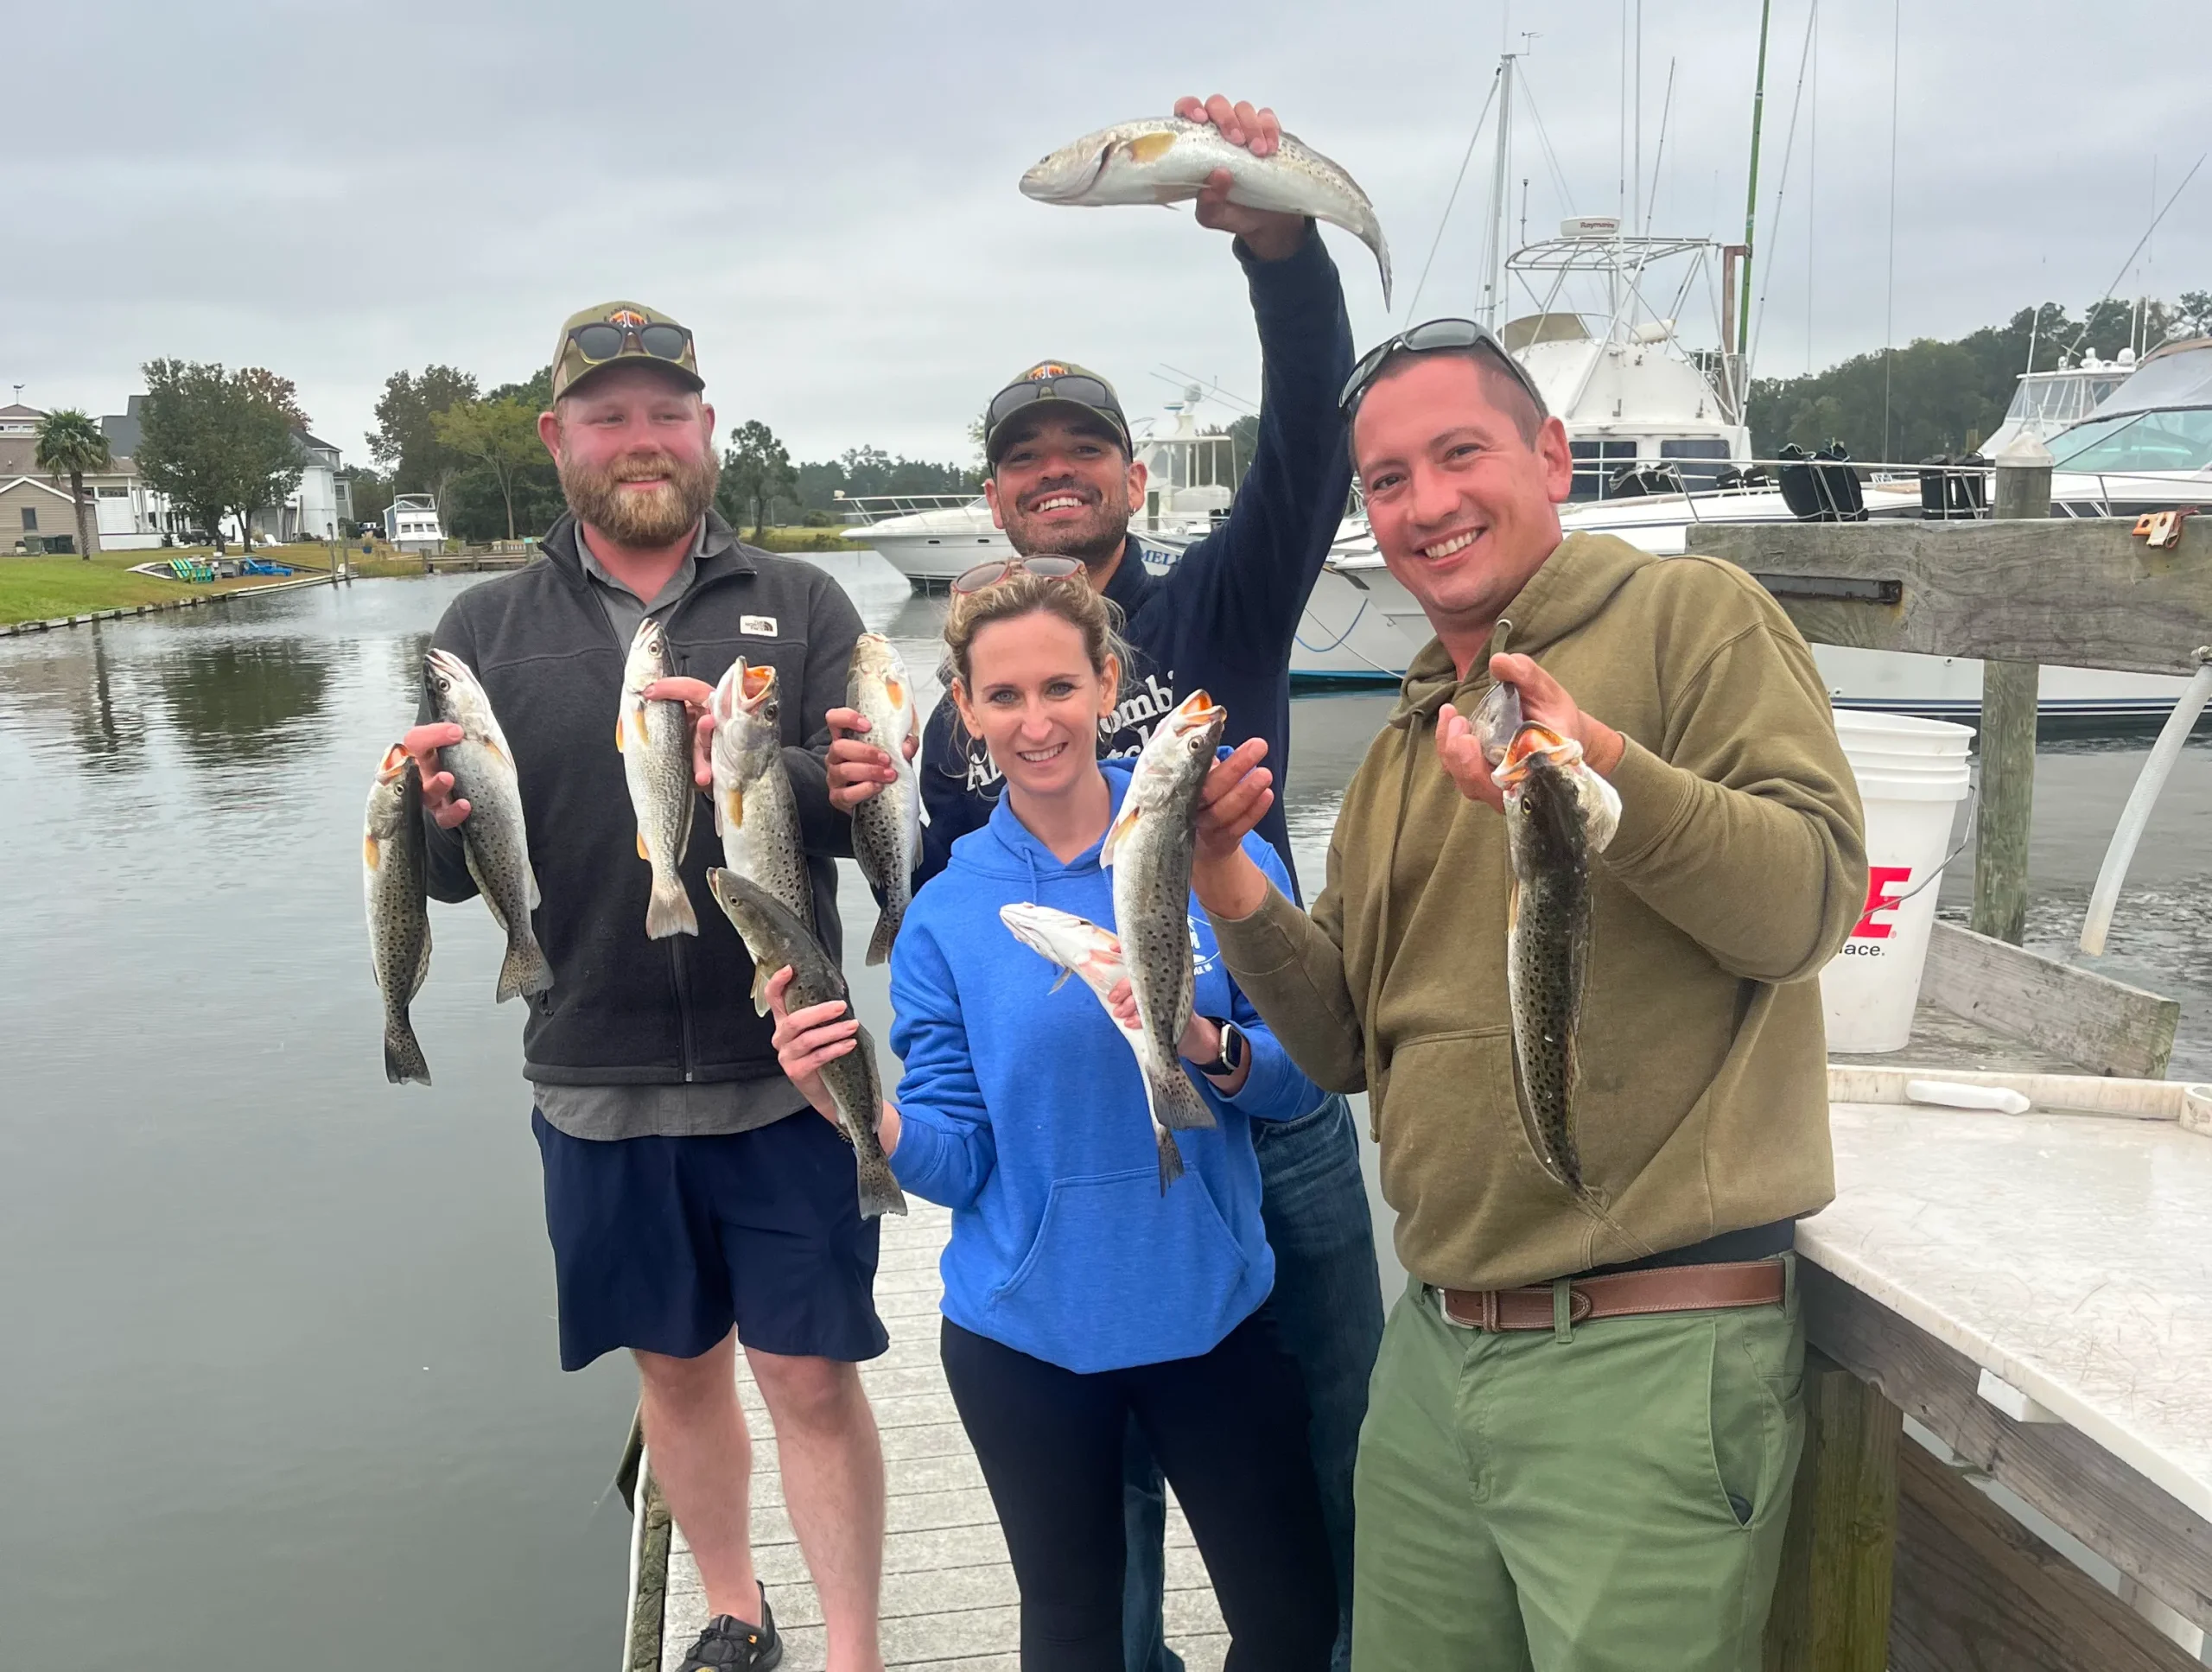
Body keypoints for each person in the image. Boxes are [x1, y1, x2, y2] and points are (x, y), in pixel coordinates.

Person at [1185, 320, 1869, 1670]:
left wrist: (1594, 767)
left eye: (1460, 453)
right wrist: (1227, 881)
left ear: (1550, 455)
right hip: (1439, 1353)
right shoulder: (1398, 742)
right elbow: (1338, 1044)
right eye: (1387, 480)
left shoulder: (1693, 616)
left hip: (1650, 1349)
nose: (1426, 503)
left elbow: (1810, 905)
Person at [828, 93, 1382, 1672]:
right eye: (1025, 460)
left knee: (1322, 1457)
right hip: (1079, 1159)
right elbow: (957, 927)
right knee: (1103, 1504)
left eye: (1084, 451)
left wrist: (1280, 250)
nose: (1055, 474)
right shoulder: (952, 726)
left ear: (1136, 476)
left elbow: (1303, 437)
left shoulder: (1225, 601)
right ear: (995, 496)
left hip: (1266, 1105)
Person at [398, 302, 890, 1672]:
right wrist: (437, 818)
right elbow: (454, 879)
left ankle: (852, 1647)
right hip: (593, 1068)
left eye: (667, 411)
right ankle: (736, 1608)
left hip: (790, 1060)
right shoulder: (481, 624)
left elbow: (858, 816)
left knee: (809, 1373)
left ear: (707, 427)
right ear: (558, 437)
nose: (643, 438)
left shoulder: (803, 604)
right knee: (674, 1366)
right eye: (608, 414)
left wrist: (776, 766)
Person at [772, 570, 1338, 1671]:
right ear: (967, 714)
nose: (1036, 723)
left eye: (1060, 688)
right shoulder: (945, 910)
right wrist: (862, 1118)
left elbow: (1305, 1079)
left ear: (1106, 686)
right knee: (1075, 1644)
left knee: (1289, 1625)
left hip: (1212, 1314)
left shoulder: (1214, 853)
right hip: (1026, 1338)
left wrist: (1203, 1047)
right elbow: (961, 1155)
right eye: (1005, 696)